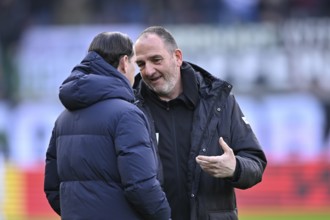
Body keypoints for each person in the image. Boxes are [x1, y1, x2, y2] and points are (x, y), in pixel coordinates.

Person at [133, 26, 267, 220]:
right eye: (141, 64)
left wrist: (235, 168)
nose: (149, 70)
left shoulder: (219, 102)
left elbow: (256, 163)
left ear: (177, 57)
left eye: (156, 60)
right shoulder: (130, 108)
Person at [44, 31, 171, 220]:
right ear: (124, 62)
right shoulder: (127, 114)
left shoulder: (63, 119)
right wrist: (164, 215)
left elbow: (53, 188)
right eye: (135, 65)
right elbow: (140, 185)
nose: (135, 73)